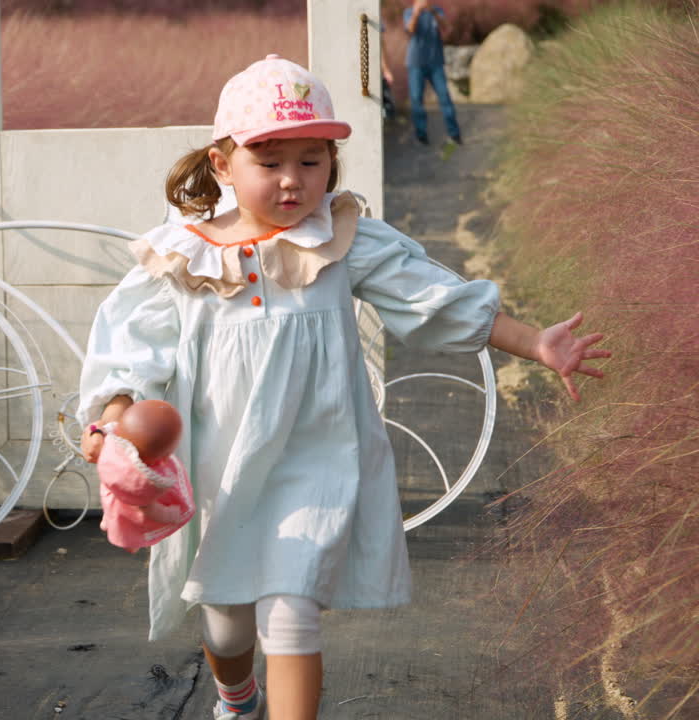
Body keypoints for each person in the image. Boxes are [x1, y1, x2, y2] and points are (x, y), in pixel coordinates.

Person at [77, 55, 609, 720]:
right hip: (222, 468)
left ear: (332, 162)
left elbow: (434, 297)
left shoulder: (341, 238)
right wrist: (114, 417)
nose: (292, 180)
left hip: (316, 458)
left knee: (293, 612)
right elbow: (130, 346)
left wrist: (533, 341)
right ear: (221, 164)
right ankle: (236, 699)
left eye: (311, 160)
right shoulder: (185, 255)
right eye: (268, 162)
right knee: (228, 625)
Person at [404, 0, 460, 144]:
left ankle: (454, 134)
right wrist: (417, 13)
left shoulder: (437, 11)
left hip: (435, 61)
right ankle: (421, 135)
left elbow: (447, 29)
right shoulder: (409, 12)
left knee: (444, 96)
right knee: (416, 99)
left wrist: (433, 12)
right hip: (416, 62)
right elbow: (410, 31)